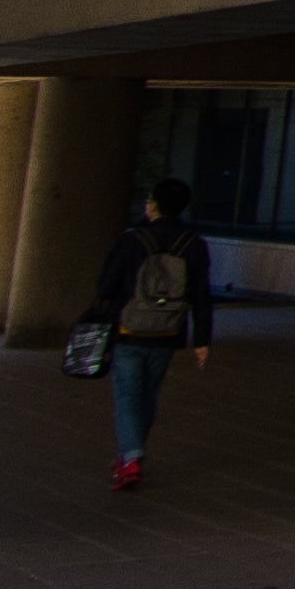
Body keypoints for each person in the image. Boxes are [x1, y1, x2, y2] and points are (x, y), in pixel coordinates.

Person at [82, 182, 216, 492]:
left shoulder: (132, 240)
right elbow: (201, 295)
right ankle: (130, 455)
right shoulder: (193, 243)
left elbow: (106, 286)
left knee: (127, 395)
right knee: (147, 395)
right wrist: (202, 339)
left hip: (129, 330)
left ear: (154, 206)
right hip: (167, 331)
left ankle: (131, 458)